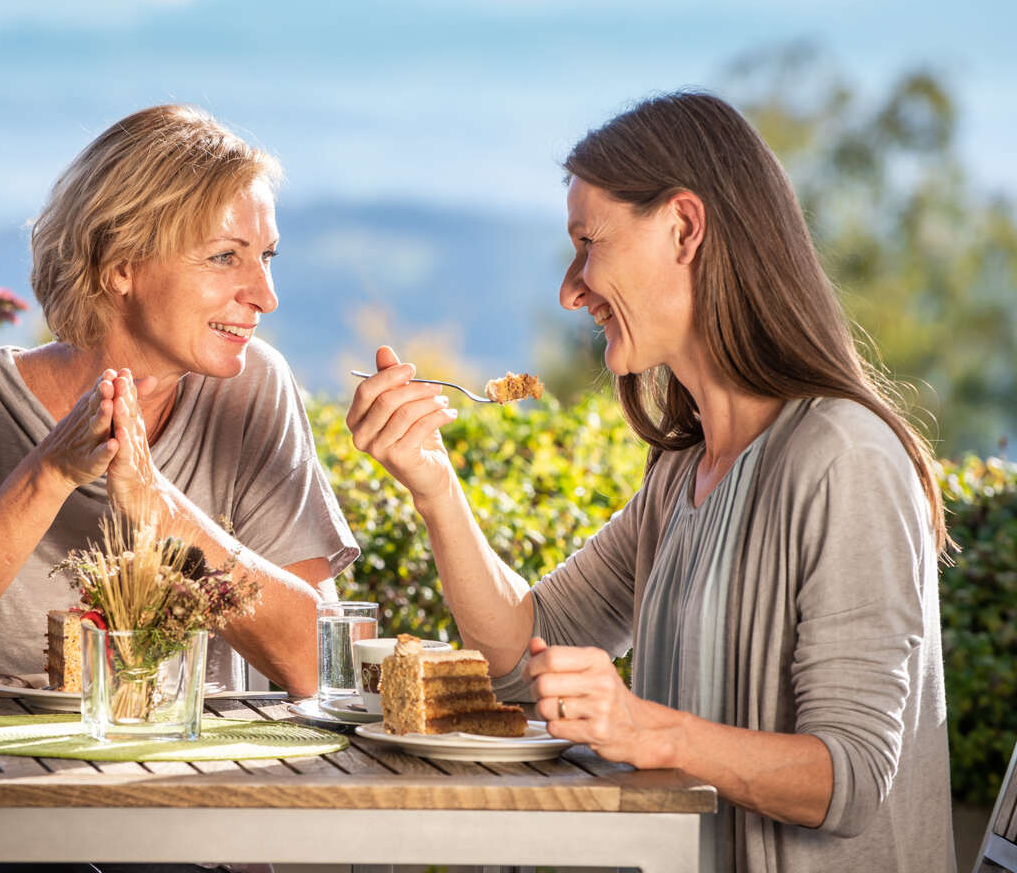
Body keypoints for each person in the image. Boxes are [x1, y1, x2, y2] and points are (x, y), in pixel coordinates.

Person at [346, 92, 955, 873]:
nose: (571, 290)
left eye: (588, 242)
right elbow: (517, 655)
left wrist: (645, 728)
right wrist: (433, 485)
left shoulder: (846, 459)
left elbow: (853, 776)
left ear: (684, 228)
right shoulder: (682, 475)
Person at [0, 104, 357, 699]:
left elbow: (322, 667)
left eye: (266, 257)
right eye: (224, 257)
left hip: (200, 775)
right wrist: (46, 476)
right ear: (121, 267)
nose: (265, 295)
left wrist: (164, 514)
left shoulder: (252, 388)